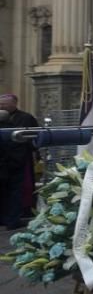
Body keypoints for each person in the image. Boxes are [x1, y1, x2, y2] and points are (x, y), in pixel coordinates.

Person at [0, 94, 38, 229]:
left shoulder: (26, 118)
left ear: (14, 104)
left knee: (16, 192)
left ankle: (12, 220)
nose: (1, 106)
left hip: (18, 161)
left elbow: (33, 137)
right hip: (3, 162)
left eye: (4, 104)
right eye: (0, 104)